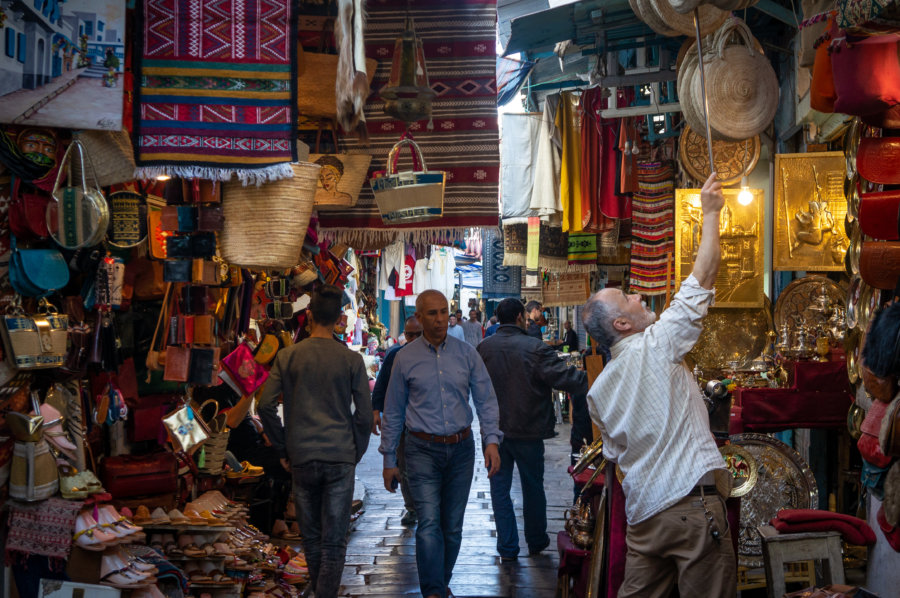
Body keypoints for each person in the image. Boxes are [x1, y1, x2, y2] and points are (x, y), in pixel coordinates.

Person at [581, 172, 734, 598]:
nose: (638, 296)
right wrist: (709, 213)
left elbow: (615, 455)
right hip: (690, 505)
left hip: (645, 516)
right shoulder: (658, 343)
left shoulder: (598, 392)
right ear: (622, 324)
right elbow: (702, 276)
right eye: (628, 297)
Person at [380, 290, 502, 598]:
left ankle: (440, 581)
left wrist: (491, 441)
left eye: (444, 312)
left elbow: (486, 398)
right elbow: (393, 411)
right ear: (419, 318)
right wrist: (389, 461)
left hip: (461, 449)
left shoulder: (466, 353)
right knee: (429, 522)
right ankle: (434, 591)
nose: (439, 319)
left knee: (452, 526)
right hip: (420, 449)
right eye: (432, 314)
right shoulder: (404, 358)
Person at [258, 285, 373, 598]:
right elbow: (364, 415)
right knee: (334, 540)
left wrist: (283, 447)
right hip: (339, 456)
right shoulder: (351, 360)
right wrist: (356, 451)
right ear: (338, 319)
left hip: (302, 455)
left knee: (311, 538)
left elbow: (265, 405)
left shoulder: (287, 356)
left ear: (308, 316)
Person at [477, 298, 587, 561]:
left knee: (500, 490)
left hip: (495, 434)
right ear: (519, 317)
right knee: (532, 488)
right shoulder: (535, 348)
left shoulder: (483, 348)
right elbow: (565, 378)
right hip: (529, 430)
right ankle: (536, 540)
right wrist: (596, 375)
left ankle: (507, 547)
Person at [371, 316, 424, 526]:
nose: (412, 339)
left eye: (417, 335)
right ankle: (411, 507)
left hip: (423, 423)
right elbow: (381, 384)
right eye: (409, 334)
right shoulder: (395, 354)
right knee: (404, 466)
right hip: (402, 422)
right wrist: (376, 410)